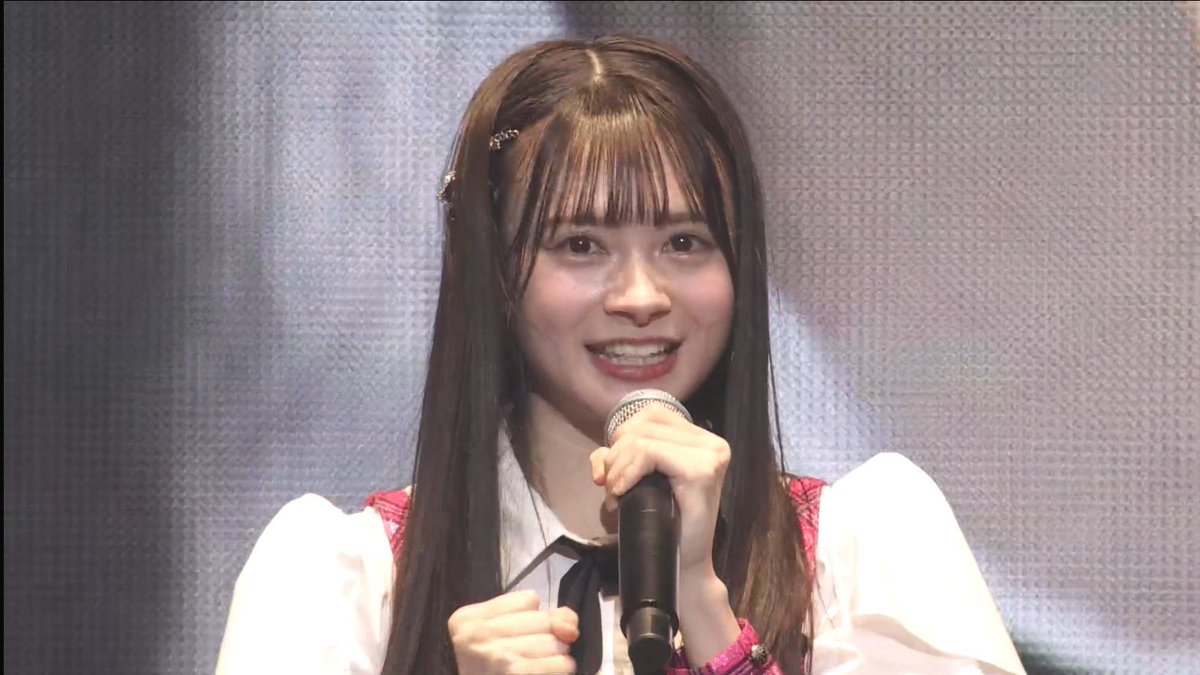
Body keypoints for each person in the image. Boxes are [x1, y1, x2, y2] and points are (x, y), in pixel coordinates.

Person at [214, 34, 1026, 675]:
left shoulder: (862, 548)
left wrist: (706, 611)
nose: (641, 294)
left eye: (684, 241)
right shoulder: (345, 584)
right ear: (494, 275)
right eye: (581, 244)